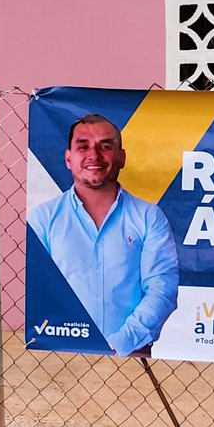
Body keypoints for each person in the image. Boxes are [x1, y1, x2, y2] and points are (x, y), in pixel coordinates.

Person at [28, 114, 179, 356]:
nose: (94, 156)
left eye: (106, 146)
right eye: (83, 146)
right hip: (59, 353)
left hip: (130, 354)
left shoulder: (149, 217)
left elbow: (162, 289)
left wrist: (120, 343)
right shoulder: (43, 220)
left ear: (122, 157)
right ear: (68, 158)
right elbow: (40, 291)